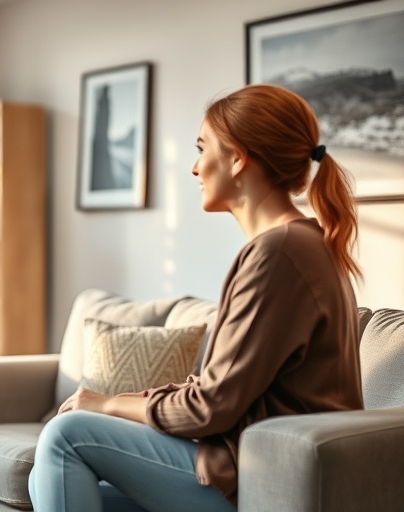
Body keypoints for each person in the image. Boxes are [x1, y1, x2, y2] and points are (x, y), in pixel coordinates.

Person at [29, 84, 364, 511]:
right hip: (243, 460)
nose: (194, 167)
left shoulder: (280, 251)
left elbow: (211, 407)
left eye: (202, 148)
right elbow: (219, 393)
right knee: (48, 478)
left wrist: (108, 403)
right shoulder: (295, 244)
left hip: (264, 473)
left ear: (238, 158)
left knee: (66, 435)